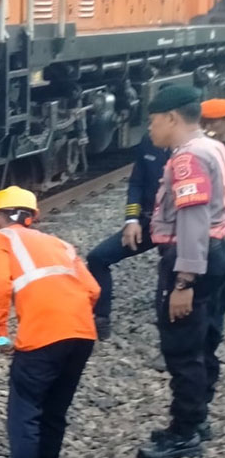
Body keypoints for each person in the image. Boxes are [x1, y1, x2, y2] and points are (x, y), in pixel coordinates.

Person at [0, 186, 100, 458]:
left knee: (24, 417)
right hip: (82, 334)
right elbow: (93, 289)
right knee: (54, 410)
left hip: (44, 337)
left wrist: (0, 334)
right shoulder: (59, 243)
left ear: (0, 217)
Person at [137, 85, 225, 458]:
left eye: (153, 121)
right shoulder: (214, 147)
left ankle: (185, 431)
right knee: (204, 337)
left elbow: (193, 218)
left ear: (172, 117)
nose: (150, 129)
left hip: (190, 257)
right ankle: (199, 416)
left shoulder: (187, 159)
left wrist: (183, 282)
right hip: (215, 252)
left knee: (182, 347)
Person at [85, 133, 168, 339]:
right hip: (147, 222)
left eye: (154, 120)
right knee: (98, 257)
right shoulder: (150, 141)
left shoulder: (194, 148)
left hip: (176, 225)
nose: (151, 127)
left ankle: (170, 337)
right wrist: (131, 220)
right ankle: (101, 318)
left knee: (169, 275)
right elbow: (136, 183)